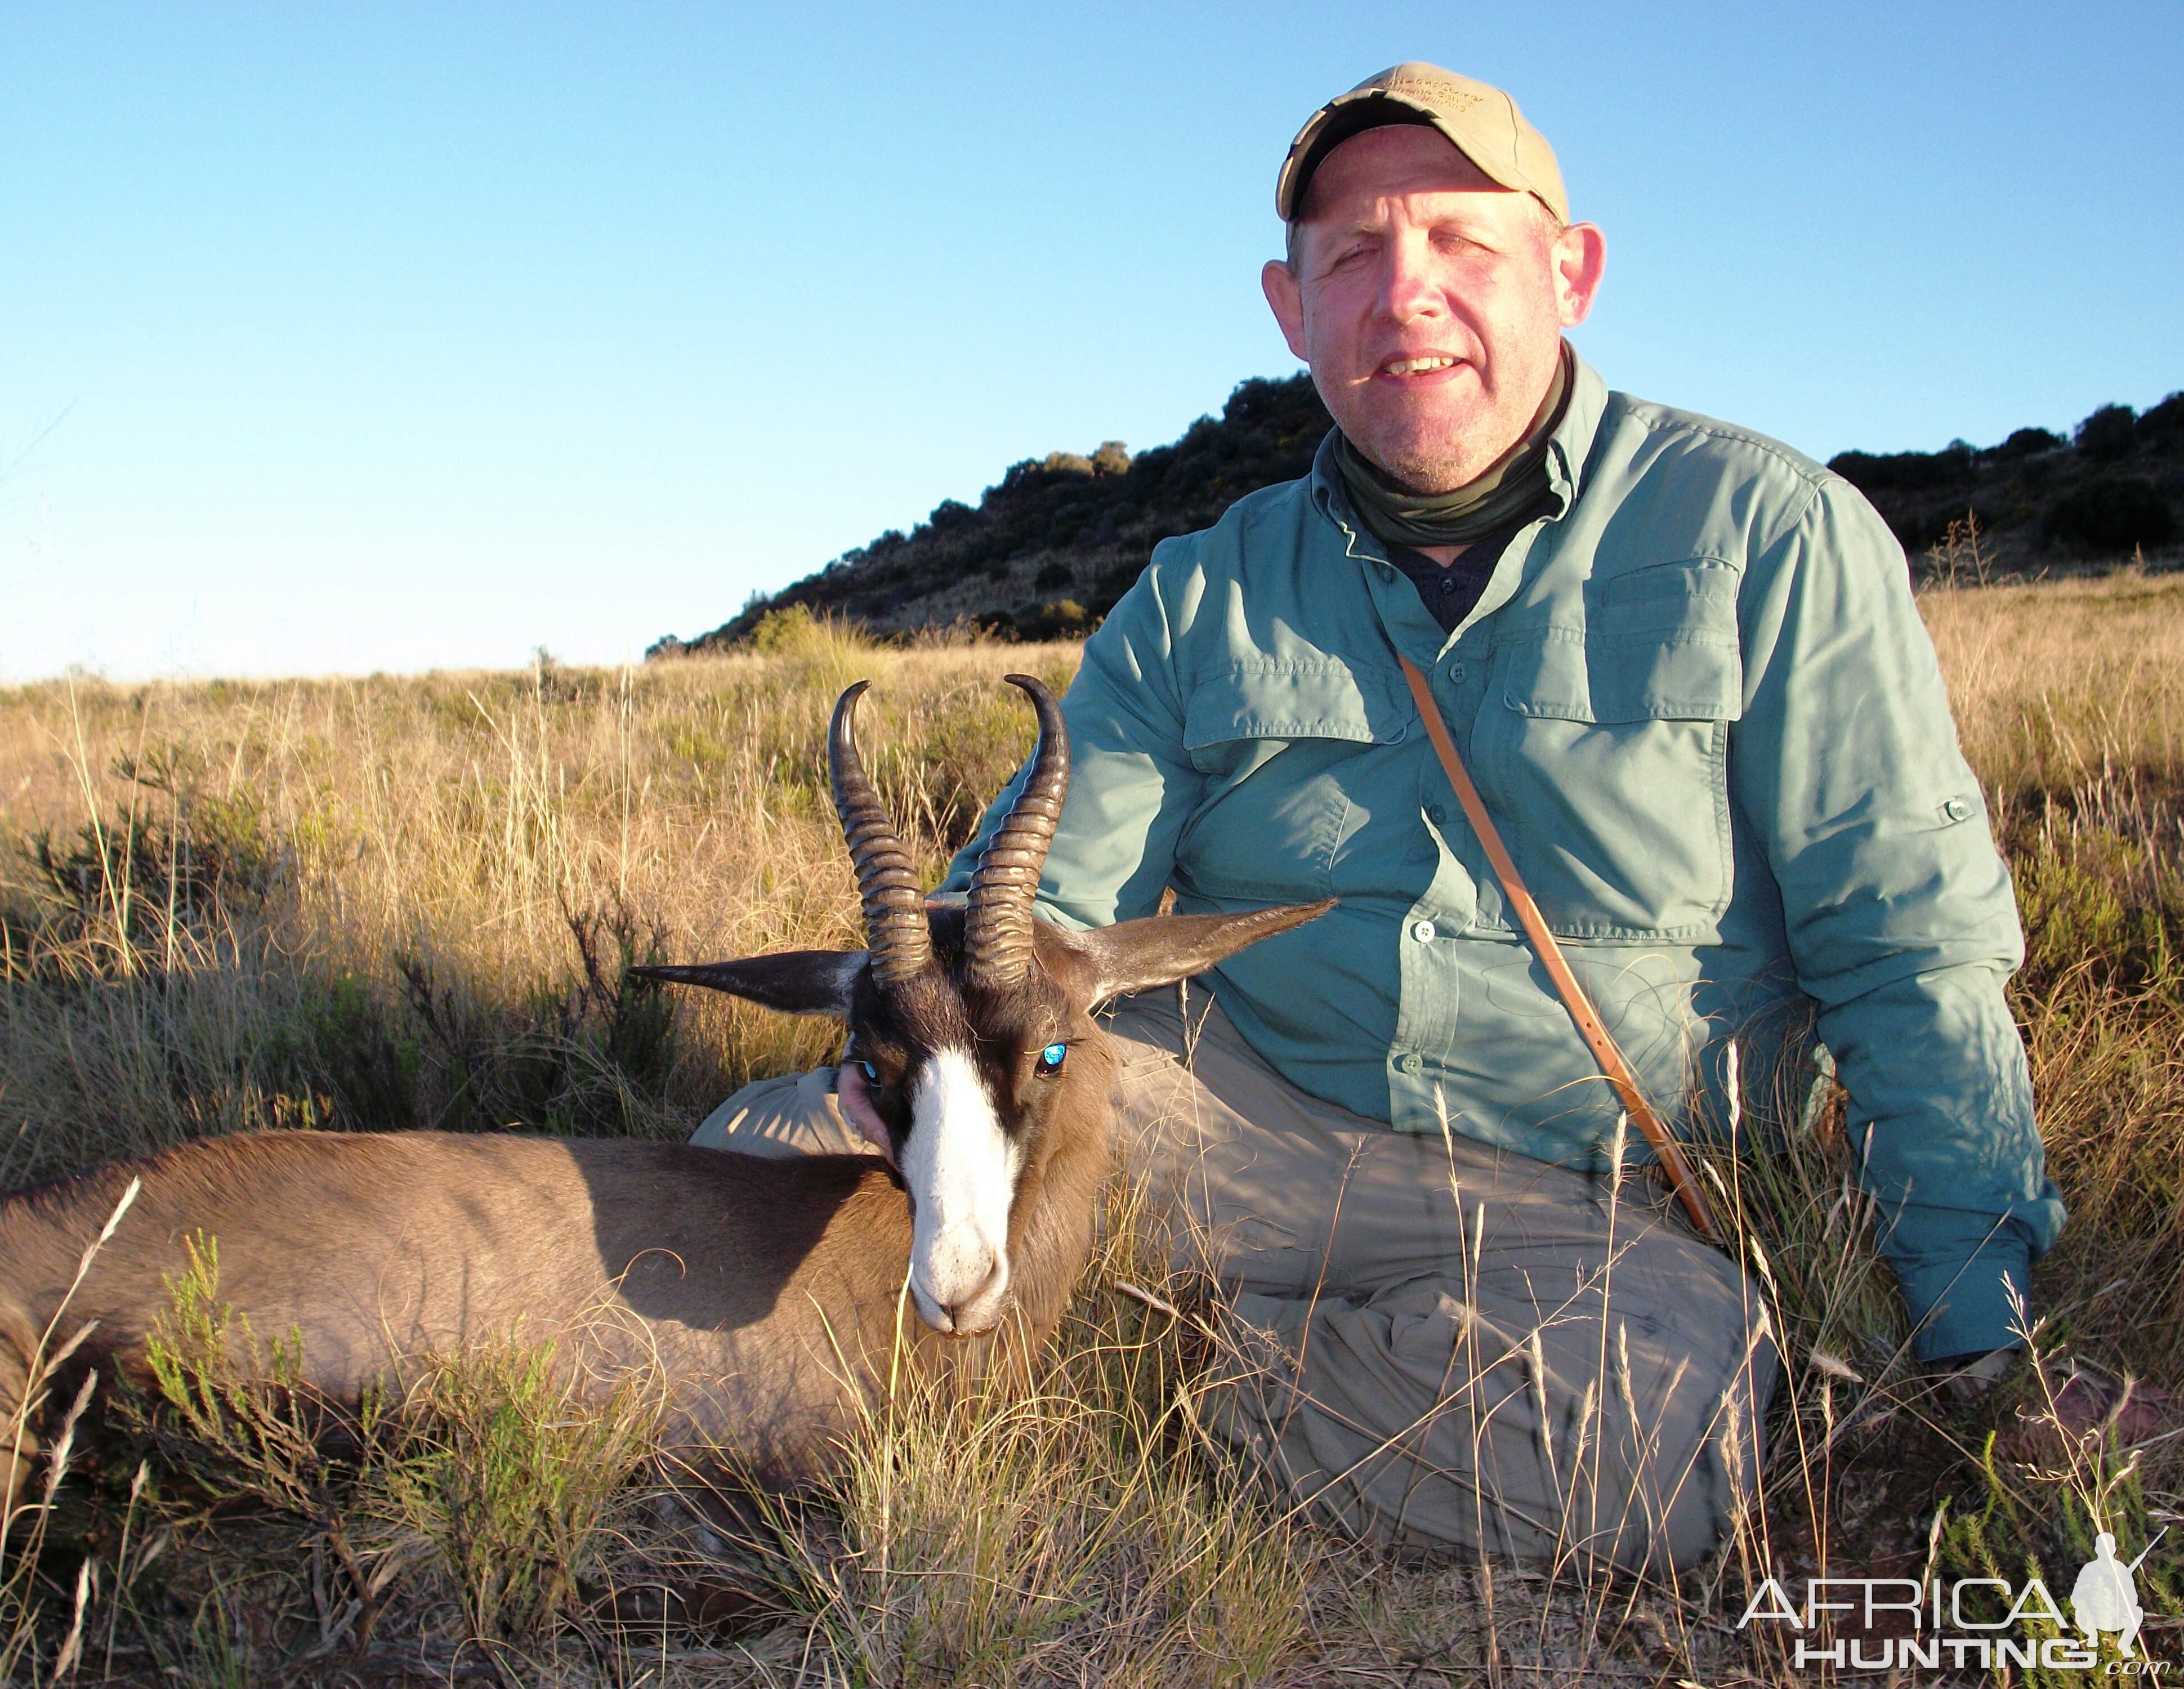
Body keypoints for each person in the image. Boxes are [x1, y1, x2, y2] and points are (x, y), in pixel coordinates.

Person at [695, 62, 2063, 1576]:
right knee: (767, 1145)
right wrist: (916, 1040)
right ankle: (1123, 1356)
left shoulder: (1773, 536)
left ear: (1572, 270)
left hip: (1574, 1197)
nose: (1405, 294)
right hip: (1228, 1108)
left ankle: (1123, 1384)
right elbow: (1038, 919)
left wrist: (1977, 1351)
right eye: (1352, 256)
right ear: (1293, 309)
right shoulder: (1206, 586)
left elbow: (1906, 956)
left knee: (1672, 1426)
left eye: (1463, 244)